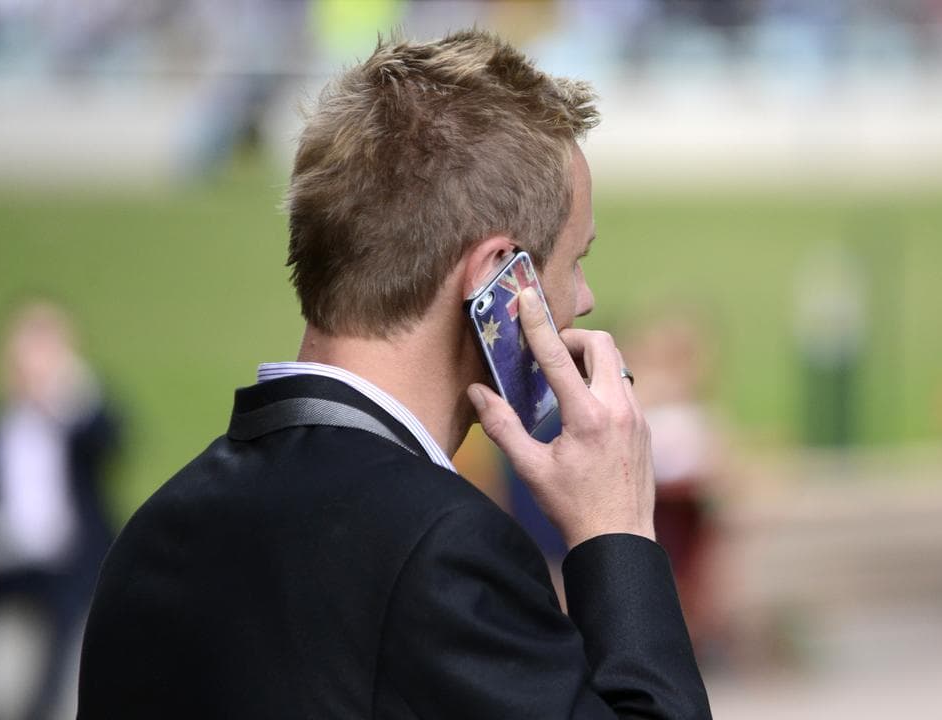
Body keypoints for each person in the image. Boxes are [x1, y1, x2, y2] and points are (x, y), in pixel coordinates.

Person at [77, 31, 711, 719]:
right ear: (498, 278)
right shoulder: (442, 550)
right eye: (573, 260)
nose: (581, 299)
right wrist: (616, 533)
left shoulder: (152, 533)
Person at [0, 300, 120, 720]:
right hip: (5, 555)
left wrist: (68, 395)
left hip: (66, 560)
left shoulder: (79, 419)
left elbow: (113, 443)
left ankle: (41, 708)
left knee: (65, 615)